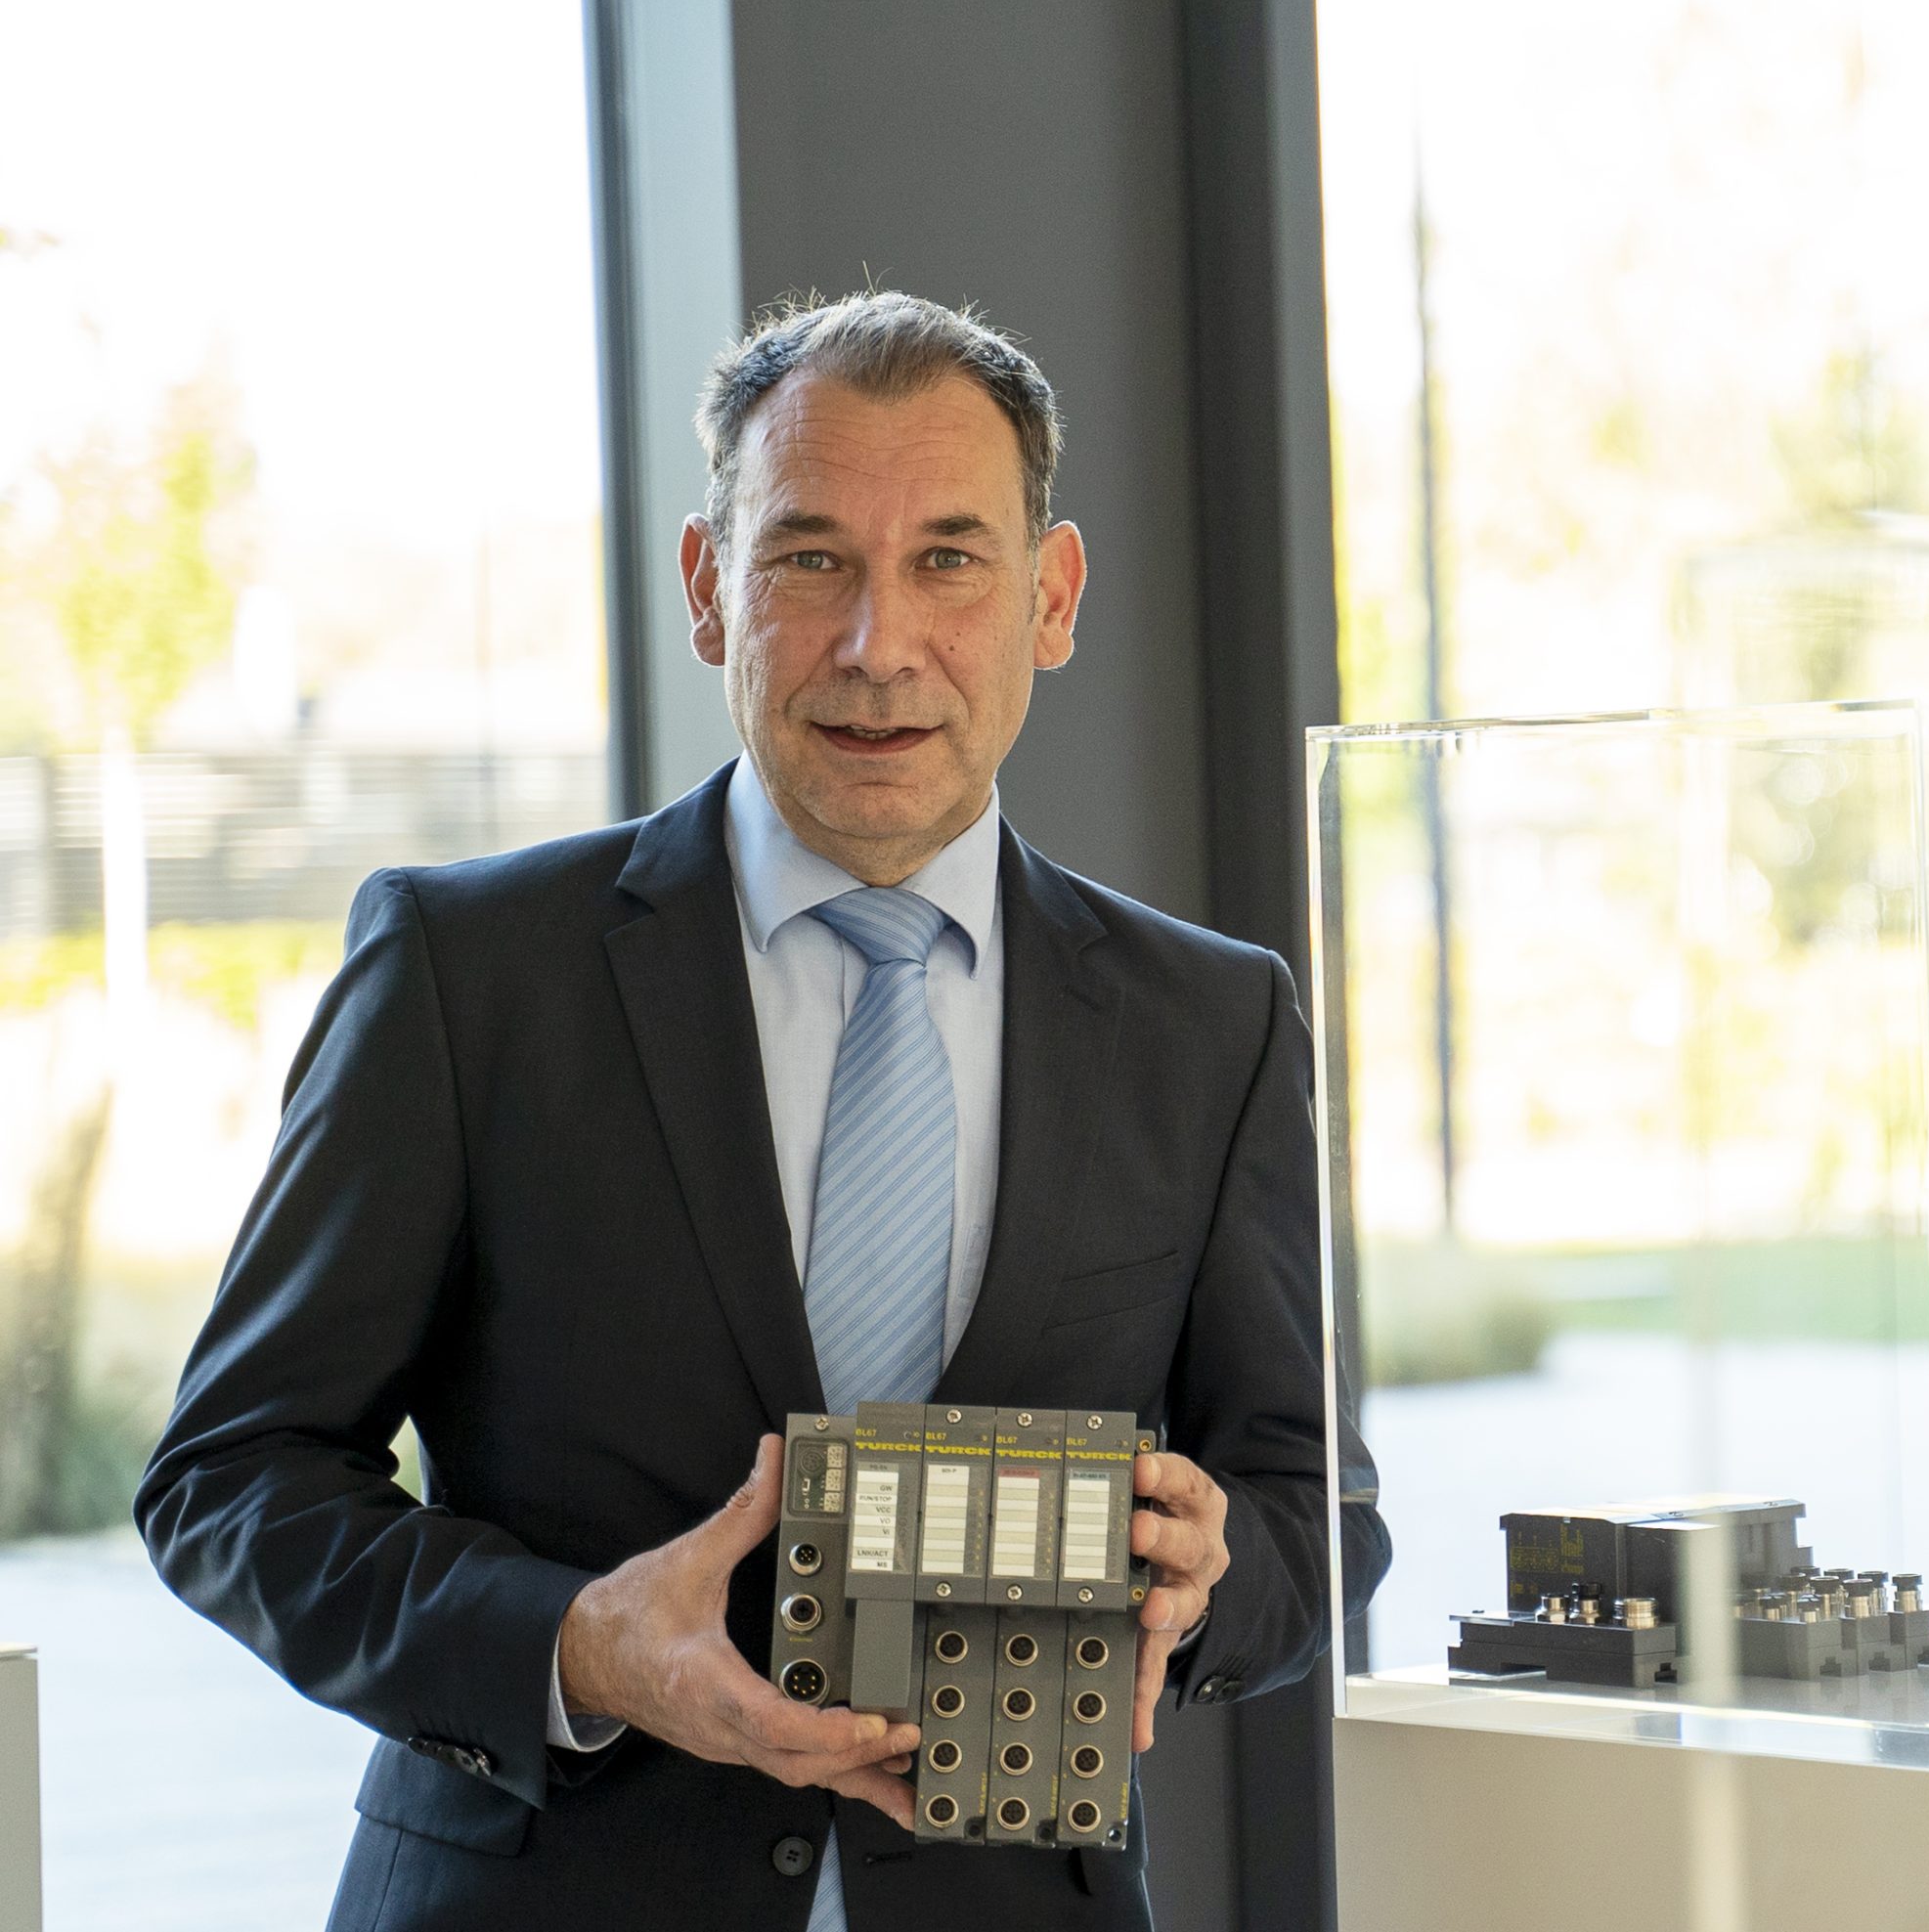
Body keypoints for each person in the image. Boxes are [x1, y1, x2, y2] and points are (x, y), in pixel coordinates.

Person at [138, 289, 1388, 1931]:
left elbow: (1315, 1510)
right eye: (809, 559)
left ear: (1052, 596)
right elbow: (234, 1475)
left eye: (949, 559)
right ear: (708, 589)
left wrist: (1215, 1581)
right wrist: (576, 1645)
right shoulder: (467, 970)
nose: (879, 643)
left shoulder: (1210, 1024)